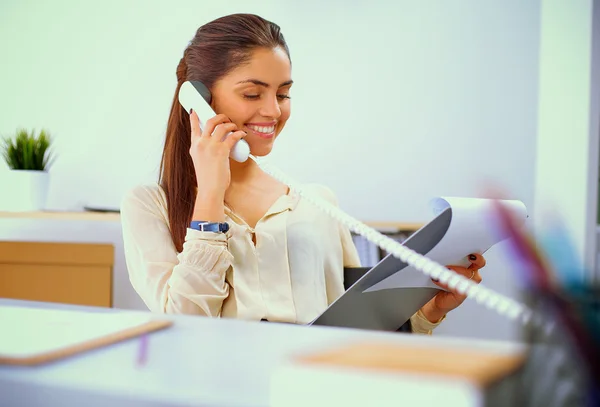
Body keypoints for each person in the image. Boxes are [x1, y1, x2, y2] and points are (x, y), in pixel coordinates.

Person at [120, 13, 486, 334]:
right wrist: (210, 194)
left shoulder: (317, 202)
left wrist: (429, 312)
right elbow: (184, 324)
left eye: (282, 94)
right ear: (198, 99)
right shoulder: (149, 205)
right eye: (252, 94)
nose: (273, 111)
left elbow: (361, 330)